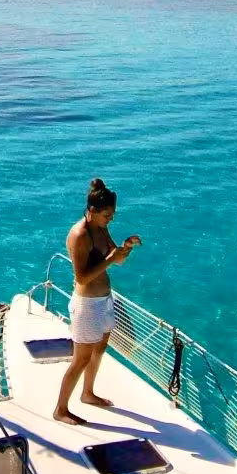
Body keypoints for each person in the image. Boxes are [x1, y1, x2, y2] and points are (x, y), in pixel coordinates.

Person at [54, 178, 140, 425]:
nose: (110, 220)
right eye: (107, 215)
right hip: (87, 306)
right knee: (80, 358)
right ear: (92, 211)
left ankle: (87, 393)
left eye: (112, 216)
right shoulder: (80, 235)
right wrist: (111, 260)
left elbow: (118, 259)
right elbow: (81, 278)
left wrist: (126, 247)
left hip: (104, 301)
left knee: (99, 350)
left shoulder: (100, 229)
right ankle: (60, 409)